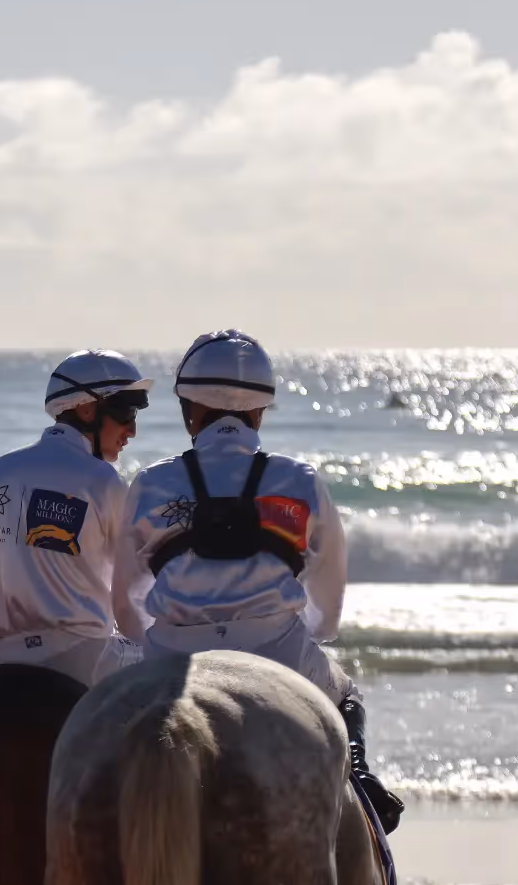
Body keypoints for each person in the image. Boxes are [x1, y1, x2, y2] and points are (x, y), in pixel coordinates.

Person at [115, 330, 403, 832]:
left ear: (190, 410)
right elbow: (327, 598)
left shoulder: (151, 483)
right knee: (346, 692)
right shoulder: (300, 480)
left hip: (170, 659)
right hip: (278, 652)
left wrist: (158, 636)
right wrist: (307, 630)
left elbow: (125, 601)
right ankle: (364, 790)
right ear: (259, 412)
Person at [0, 350, 149, 685]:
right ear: (87, 409)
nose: (131, 430)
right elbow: (128, 597)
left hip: (4, 657)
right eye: (126, 413)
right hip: (85, 660)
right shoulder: (103, 480)